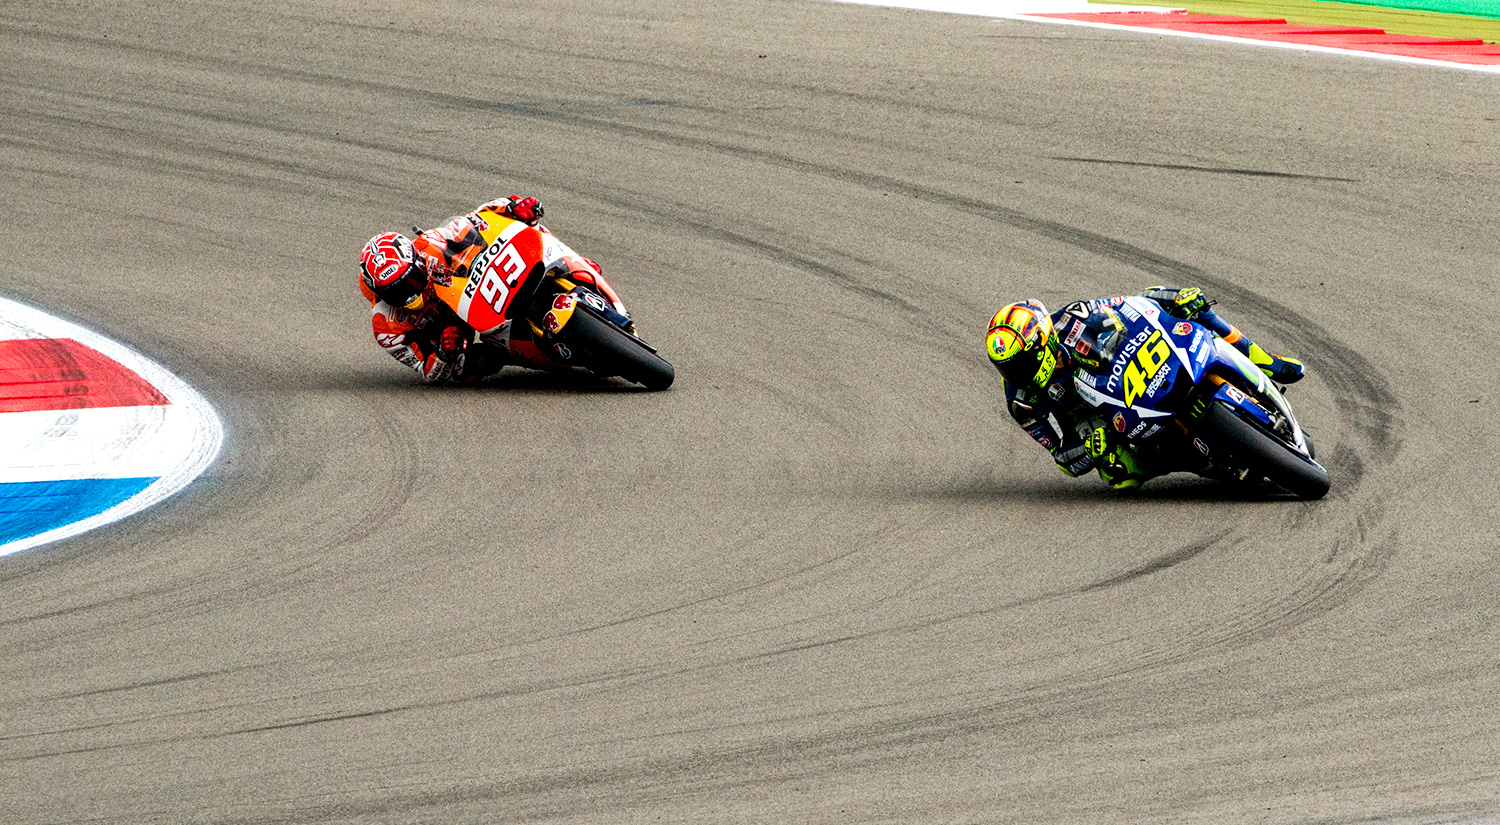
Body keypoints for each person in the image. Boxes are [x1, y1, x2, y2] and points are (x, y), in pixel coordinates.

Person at [985, 286, 1304, 490]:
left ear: (1044, 342)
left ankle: (1266, 361)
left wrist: (1176, 298)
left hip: (1131, 373)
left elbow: (1138, 303)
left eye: (1022, 362)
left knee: (1196, 309)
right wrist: (1089, 449)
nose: (1014, 374)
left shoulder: (1074, 318)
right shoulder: (1022, 401)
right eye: (1006, 367)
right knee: (1119, 474)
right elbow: (1064, 458)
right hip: (1104, 422)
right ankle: (1190, 461)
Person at [359, 195, 570, 384]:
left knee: (530, 233)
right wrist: (444, 353)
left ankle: (570, 265)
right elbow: (427, 371)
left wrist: (512, 208)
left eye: (411, 279)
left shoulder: (429, 245)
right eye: (395, 292)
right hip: (454, 331)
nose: (410, 292)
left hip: (474, 287)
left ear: (417, 260)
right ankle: (517, 354)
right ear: (379, 293)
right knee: (464, 370)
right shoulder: (386, 327)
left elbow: (477, 219)